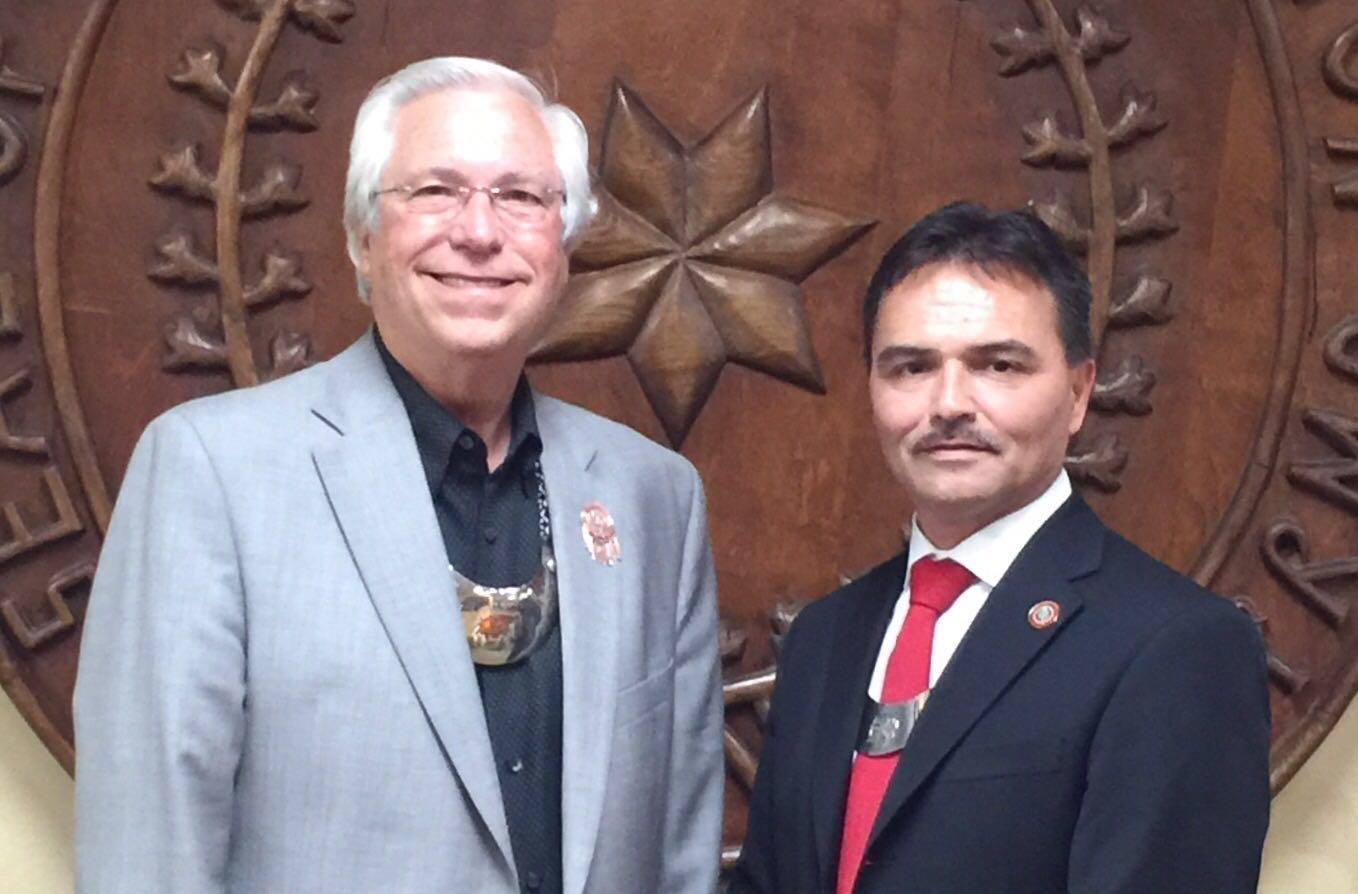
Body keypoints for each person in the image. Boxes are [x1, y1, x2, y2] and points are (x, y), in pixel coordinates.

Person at [74, 57, 723, 894]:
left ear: (563, 248)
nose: (480, 232)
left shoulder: (654, 496)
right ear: (362, 237)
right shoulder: (212, 474)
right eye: (436, 191)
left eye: (521, 197)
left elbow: (679, 852)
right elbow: (148, 856)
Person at [730, 201, 1270, 894]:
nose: (949, 403)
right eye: (911, 368)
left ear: (1079, 393)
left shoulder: (1179, 646)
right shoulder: (823, 639)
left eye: (998, 366)